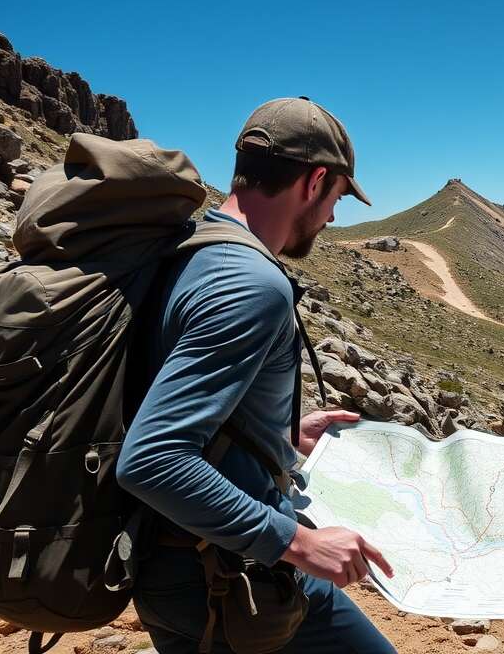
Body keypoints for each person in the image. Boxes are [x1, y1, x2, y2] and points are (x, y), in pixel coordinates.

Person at [115, 97, 396, 653]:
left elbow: (165, 396)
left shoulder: (193, 250)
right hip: (227, 580)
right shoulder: (250, 285)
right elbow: (150, 458)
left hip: (189, 564)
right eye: (337, 197)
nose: (334, 217)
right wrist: (298, 543)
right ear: (315, 181)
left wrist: (278, 438)